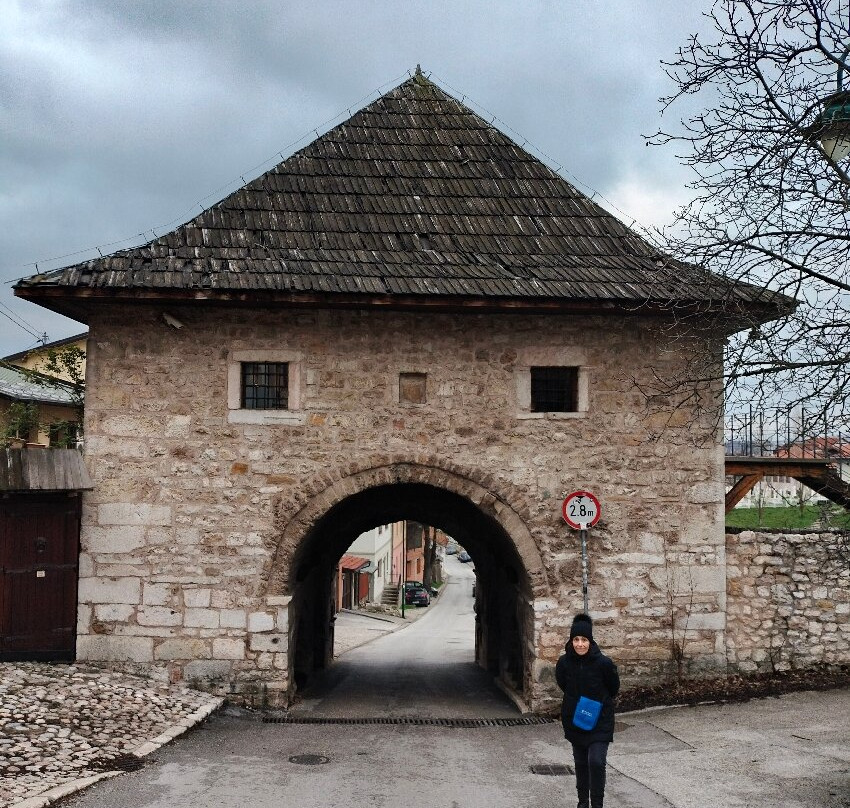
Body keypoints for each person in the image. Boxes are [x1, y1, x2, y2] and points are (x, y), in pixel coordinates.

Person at [555, 613, 620, 808]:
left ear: (590, 641)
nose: (580, 644)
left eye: (584, 640)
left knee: (596, 761)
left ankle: (597, 805)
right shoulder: (564, 663)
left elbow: (613, 688)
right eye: (576, 639)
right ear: (571, 641)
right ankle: (582, 803)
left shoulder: (604, 664)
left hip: (600, 720)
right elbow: (563, 684)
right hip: (576, 720)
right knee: (581, 764)